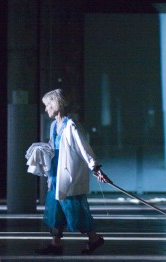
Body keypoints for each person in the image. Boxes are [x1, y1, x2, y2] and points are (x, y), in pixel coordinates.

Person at [35, 88, 111, 255]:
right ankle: (55, 244)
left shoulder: (71, 126)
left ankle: (94, 238)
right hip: (55, 173)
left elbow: (84, 148)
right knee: (56, 207)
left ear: (58, 104)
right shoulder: (54, 125)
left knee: (73, 207)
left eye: (49, 104)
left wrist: (95, 167)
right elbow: (54, 146)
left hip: (67, 173)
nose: (46, 108)